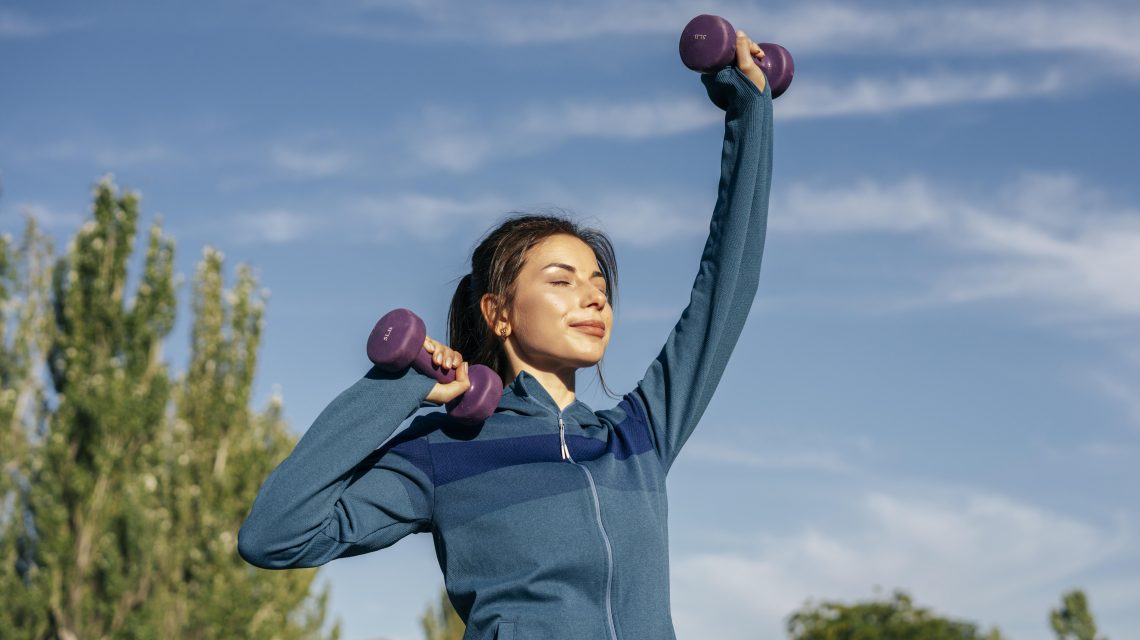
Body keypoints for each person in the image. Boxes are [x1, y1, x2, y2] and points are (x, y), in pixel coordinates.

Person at [239, 31, 774, 640]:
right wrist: (398, 386)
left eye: (599, 282)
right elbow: (275, 537)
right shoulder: (444, 450)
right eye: (562, 280)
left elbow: (726, 289)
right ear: (499, 312)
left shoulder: (637, 437)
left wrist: (749, 109)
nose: (594, 296)